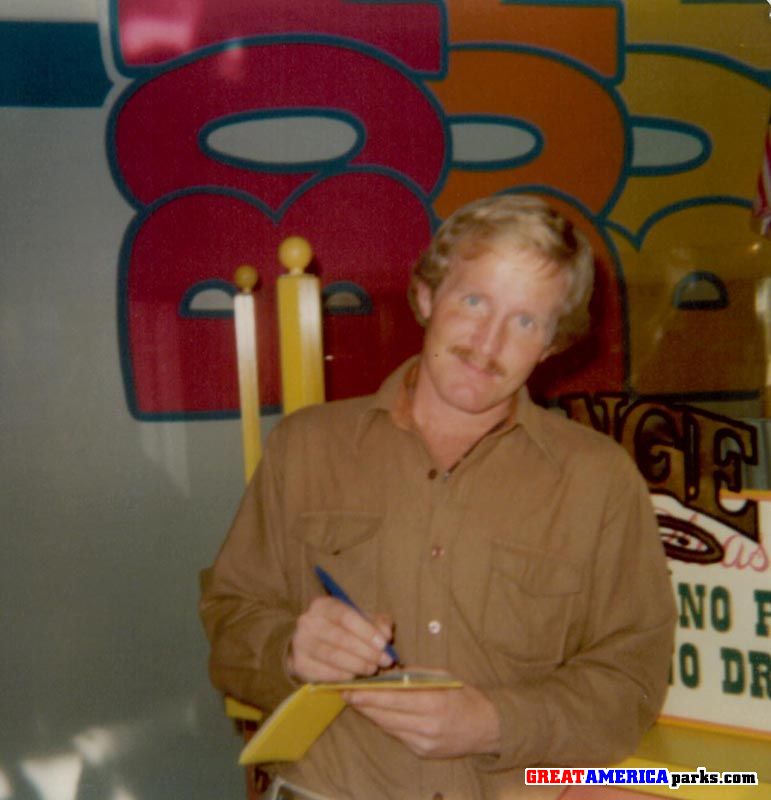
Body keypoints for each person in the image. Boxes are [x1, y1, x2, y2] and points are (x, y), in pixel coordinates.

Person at [200, 194, 676, 800]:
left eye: (525, 320)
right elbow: (230, 617)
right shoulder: (305, 447)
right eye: (474, 301)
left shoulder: (600, 480)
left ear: (552, 344)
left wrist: (494, 723)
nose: (489, 341)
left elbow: (631, 679)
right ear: (426, 297)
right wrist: (291, 650)